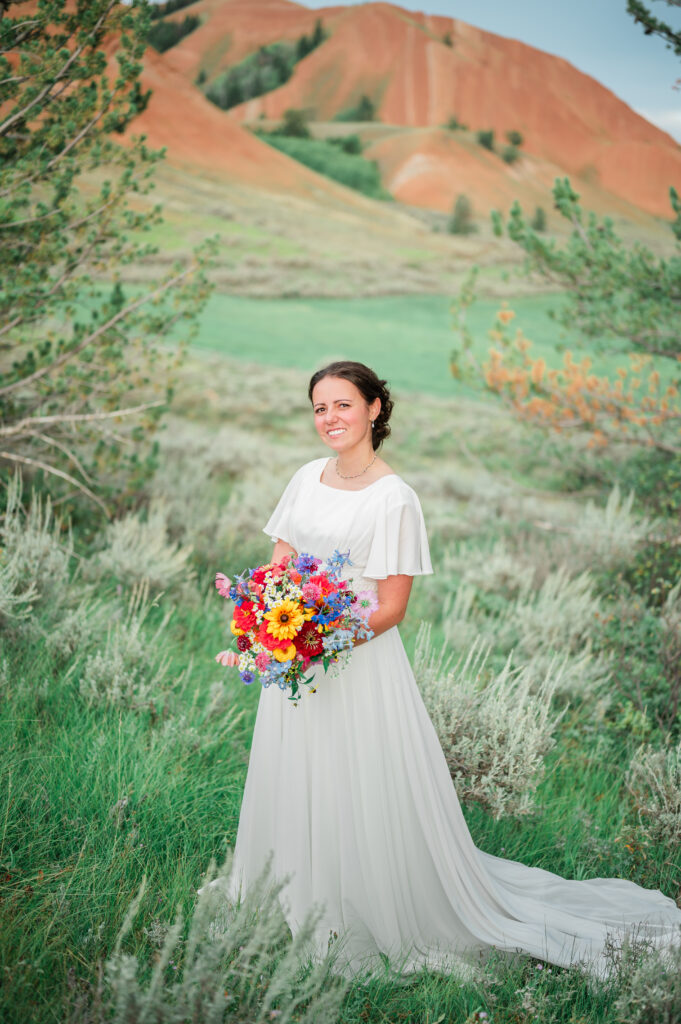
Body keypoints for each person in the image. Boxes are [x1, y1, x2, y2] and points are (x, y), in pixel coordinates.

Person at [204, 359, 681, 980]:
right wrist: (268, 628)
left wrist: (317, 643)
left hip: (354, 667)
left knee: (356, 782)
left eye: (343, 404)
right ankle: (289, 893)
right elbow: (278, 568)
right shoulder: (304, 478)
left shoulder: (394, 498)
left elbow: (391, 608)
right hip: (293, 660)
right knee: (294, 771)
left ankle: (364, 904)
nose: (330, 418)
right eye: (320, 408)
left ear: (374, 408)